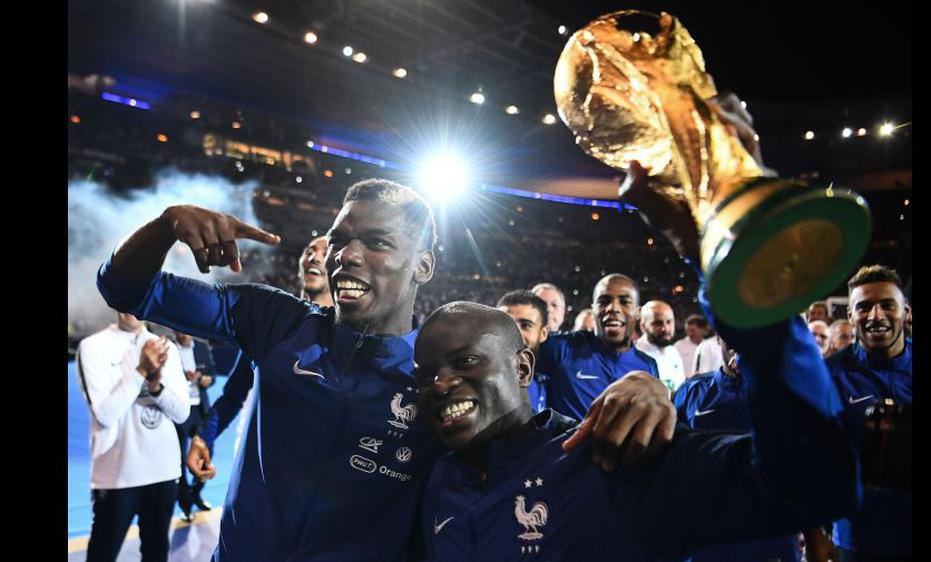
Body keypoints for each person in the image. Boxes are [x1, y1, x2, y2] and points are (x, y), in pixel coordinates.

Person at [98, 180, 672, 560]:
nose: (347, 255)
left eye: (376, 242)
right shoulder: (275, 320)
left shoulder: (443, 378)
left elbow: (536, 440)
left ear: (422, 265)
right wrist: (167, 224)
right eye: (339, 239)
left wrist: (642, 385)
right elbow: (122, 285)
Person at [412, 298, 858, 561]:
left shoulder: (609, 457)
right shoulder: (438, 476)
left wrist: (750, 298)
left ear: (524, 366)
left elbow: (816, 483)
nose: (440, 384)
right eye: (425, 373)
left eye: (466, 362)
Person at [185, 235, 337, 483]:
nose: (314, 256)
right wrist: (203, 437)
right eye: (309, 250)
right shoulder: (271, 326)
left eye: (325, 251)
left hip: (314, 484)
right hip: (256, 480)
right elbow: (233, 396)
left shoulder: (352, 338)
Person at [674, 336, 805, 562]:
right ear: (718, 334)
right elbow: (673, 468)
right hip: (707, 540)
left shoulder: (791, 390)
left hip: (770, 538)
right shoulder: (691, 392)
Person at [76, 312, 190, 562]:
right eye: (124, 296)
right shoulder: (93, 347)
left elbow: (182, 413)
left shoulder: (165, 346)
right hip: (118, 475)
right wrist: (141, 370)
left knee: (156, 553)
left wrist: (156, 388)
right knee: (102, 554)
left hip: (164, 471)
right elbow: (105, 414)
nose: (130, 306)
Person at [826, 265, 912, 562]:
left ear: (906, 312)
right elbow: (806, 458)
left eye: (887, 305)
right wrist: (814, 535)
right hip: (858, 538)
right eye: (864, 307)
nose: (876, 316)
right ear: (850, 316)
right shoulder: (828, 376)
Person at [536, 273, 661, 422]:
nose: (613, 308)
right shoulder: (561, 349)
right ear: (593, 309)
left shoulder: (647, 366)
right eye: (604, 301)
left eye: (624, 302)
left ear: (638, 313)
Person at [172, 330, 217, 521]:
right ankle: (185, 504)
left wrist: (207, 380)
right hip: (179, 411)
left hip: (200, 409)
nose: (183, 334)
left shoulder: (200, 346)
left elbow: (212, 374)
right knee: (179, 459)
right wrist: (182, 379)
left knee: (208, 452)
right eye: (178, 330)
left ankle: (195, 493)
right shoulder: (169, 349)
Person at [496, 290, 551, 413]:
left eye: (525, 325)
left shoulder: (544, 383)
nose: (514, 333)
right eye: (505, 324)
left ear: (543, 333)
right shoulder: (478, 383)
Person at [635, 300, 686, 393]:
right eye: (658, 323)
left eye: (669, 322)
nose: (665, 328)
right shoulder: (633, 354)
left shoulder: (673, 352)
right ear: (643, 326)